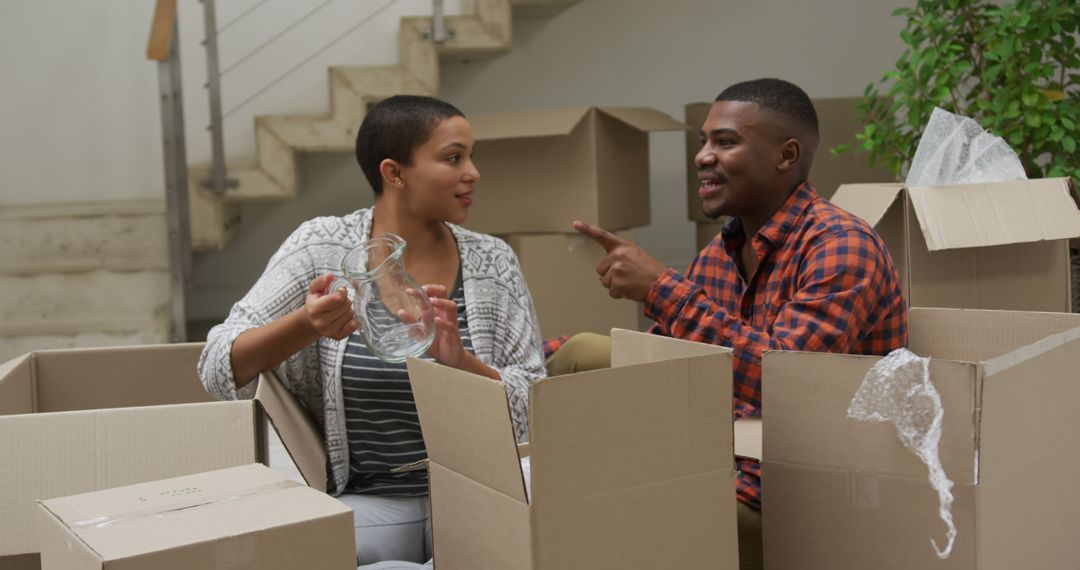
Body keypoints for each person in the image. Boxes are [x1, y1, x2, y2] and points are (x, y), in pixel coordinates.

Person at [553, 78, 908, 569]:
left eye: (725, 142)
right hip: (719, 455)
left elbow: (788, 381)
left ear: (786, 155)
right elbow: (667, 356)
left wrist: (661, 288)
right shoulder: (725, 248)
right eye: (704, 142)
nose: (702, 156)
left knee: (595, 527)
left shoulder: (841, 245)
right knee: (582, 353)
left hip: (803, 493)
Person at [198, 95, 546, 567]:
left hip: (481, 497)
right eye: (453, 157)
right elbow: (218, 366)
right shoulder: (321, 247)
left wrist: (462, 365)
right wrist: (307, 324)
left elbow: (537, 407)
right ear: (394, 172)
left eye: (471, 155)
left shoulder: (493, 262)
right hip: (377, 503)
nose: (473, 172)